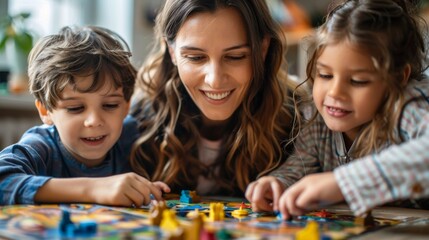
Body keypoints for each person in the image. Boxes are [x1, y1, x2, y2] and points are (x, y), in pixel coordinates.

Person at [246, 0, 429, 217]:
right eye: (325, 75)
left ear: (398, 78)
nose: (335, 93)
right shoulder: (316, 116)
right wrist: (278, 183)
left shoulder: (409, 105)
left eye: (358, 80)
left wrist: (341, 183)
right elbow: (299, 167)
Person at [130, 0, 298, 196]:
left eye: (235, 56)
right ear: (172, 52)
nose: (215, 80)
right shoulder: (137, 119)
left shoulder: (298, 118)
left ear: (263, 49)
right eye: (195, 57)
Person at [0, 26, 170, 205]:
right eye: (75, 108)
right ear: (46, 111)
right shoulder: (41, 146)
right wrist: (94, 189)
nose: (94, 121)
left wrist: (145, 189)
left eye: (110, 105)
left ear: (126, 106)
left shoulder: (133, 138)